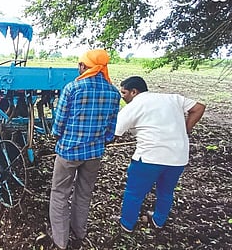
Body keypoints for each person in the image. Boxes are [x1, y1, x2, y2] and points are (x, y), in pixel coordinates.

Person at [49, 49, 121, 249]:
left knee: (60, 194)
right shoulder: (113, 92)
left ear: (83, 66)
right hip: (94, 154)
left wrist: (59, 136)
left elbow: (58, 124)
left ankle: (60, 241)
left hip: (69, 152)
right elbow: (111, 128)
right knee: (84, 193)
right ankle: (79, 233)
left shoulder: (73, 88)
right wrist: (101, 141)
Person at [114, 76, 205, 233]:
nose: (123, 97)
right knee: (166, 191)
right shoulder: (173, 98)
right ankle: (158, 221)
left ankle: (127, 224)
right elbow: (199, 107)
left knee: (134, 193)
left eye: (124, 93)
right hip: (178, 157)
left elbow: (114, 133)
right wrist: (186, 130)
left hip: (149, 158)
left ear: (134, 92)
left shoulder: (134, 105)